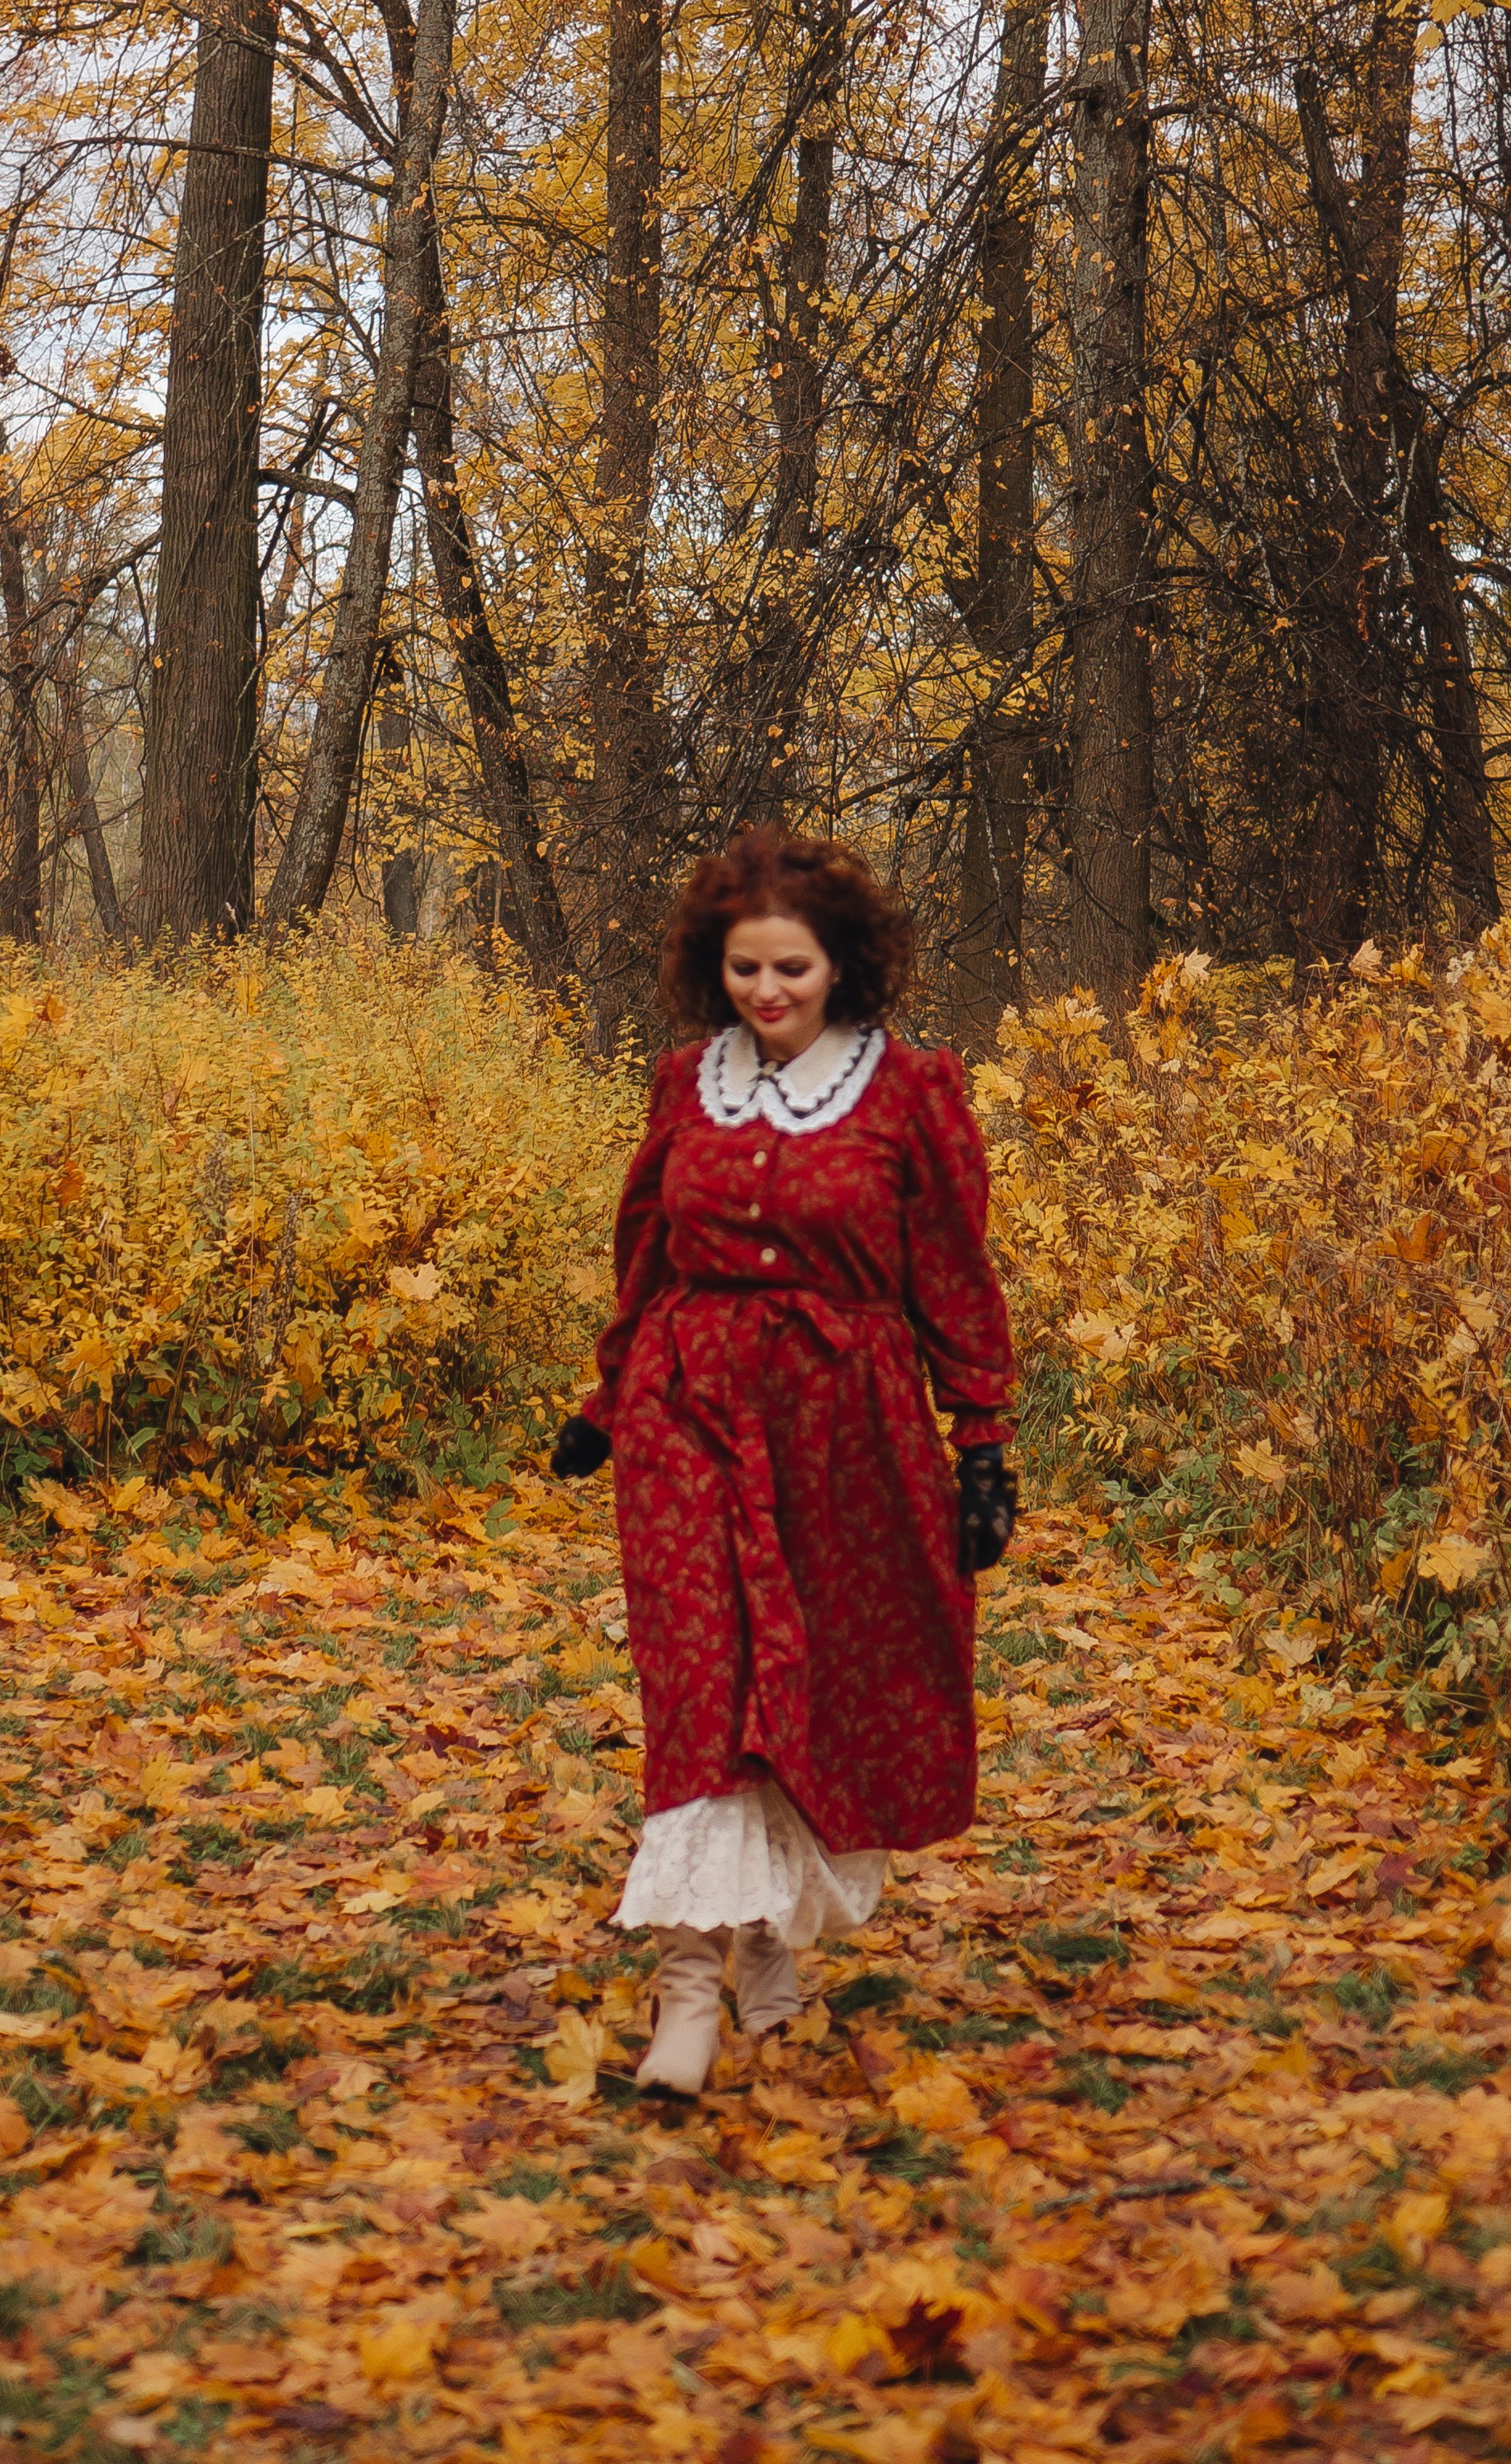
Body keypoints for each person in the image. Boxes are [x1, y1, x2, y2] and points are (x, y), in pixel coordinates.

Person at [550, 828, 1018, 2097]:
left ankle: (767, 1939)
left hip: (847, 1431)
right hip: (687, 1411)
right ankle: (688, 1997)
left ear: (842, 965)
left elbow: (957, 1283)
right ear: (717, 967)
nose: (768, 993)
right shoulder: (683, 1084)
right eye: (746, 969)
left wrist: (981, 1441)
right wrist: (605, 1402)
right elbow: (643, 1253)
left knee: (805, 1692)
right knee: (702, 1685)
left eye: (792, 970)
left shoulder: (908, 1094)